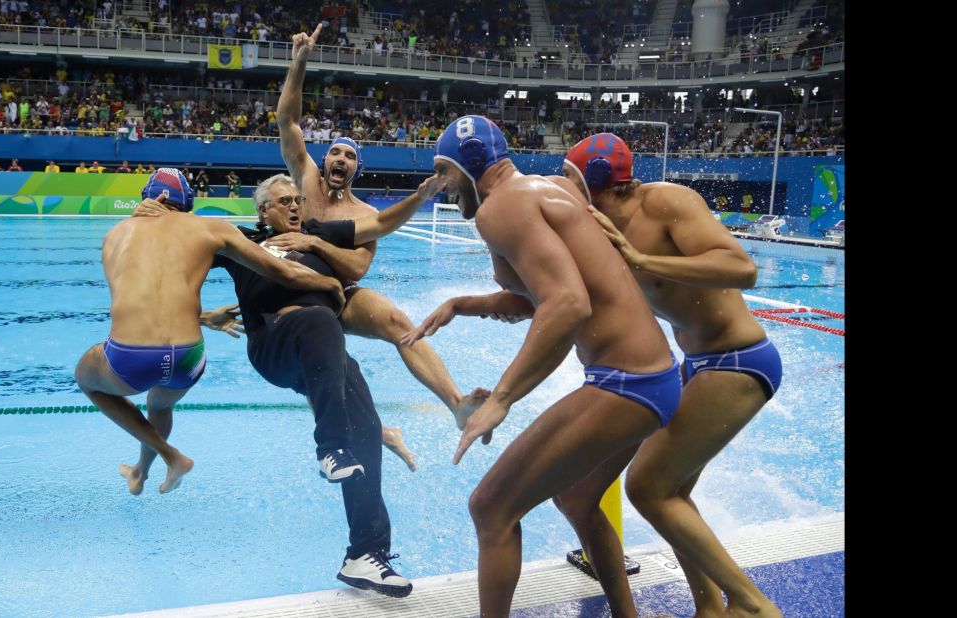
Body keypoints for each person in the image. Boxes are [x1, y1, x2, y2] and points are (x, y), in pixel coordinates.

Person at [402, 116, 682, 618]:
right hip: (655, 375)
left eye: (443, 171)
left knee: (490, 508)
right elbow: (544, 295)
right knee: (576, 499)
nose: (441, 186)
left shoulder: (500, 209)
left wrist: (504, 398)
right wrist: (464, 304)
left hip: (626, 382)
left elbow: (566, 303)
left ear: (465, 166)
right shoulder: (546, 189)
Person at [158, 173, 436, 597]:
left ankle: (366, 553)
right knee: (320, 322)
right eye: (283, 201)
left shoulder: (317, 234)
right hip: (275, 343)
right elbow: (172, 261)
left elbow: (379, 225)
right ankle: (329, 448)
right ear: (263, 211)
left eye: (297, 201)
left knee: (364, 432)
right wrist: (199, 314)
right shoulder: (241, 240)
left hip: (325, 351)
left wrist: (418, 196)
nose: (293, 207)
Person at [562, 133, 782, 618]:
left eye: (570, 177)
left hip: (738, 359)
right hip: (697, 364)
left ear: (591, 182)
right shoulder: (599, 228)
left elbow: (741, 268)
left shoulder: (666, 201)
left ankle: (752, 605)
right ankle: (709, 606)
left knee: (648, 487)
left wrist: (641, 260)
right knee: (674, 490)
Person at [74, 168, 345, 497]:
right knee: (159, 405)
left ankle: (171, 456)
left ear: (151, 198)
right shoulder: (210, 227)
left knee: (86, 378)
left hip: (133, 357)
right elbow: (284, 271)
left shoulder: (116, 234)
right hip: (188, 360)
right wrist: (330, 283)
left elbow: (138, 302)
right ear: (186, 203)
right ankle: (139, 471)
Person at [274, 25, 488, 429]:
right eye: (334, 151)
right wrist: (299, 62)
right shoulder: (304, 178)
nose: (340, 158)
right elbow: (287, 120)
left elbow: (355, 269)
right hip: (292, 295)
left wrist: (315, 243)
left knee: (399, 324)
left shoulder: (362, 214)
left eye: (349, 155)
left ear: (356, 168)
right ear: (323, 160)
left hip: (339, 296)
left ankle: (457, 403)